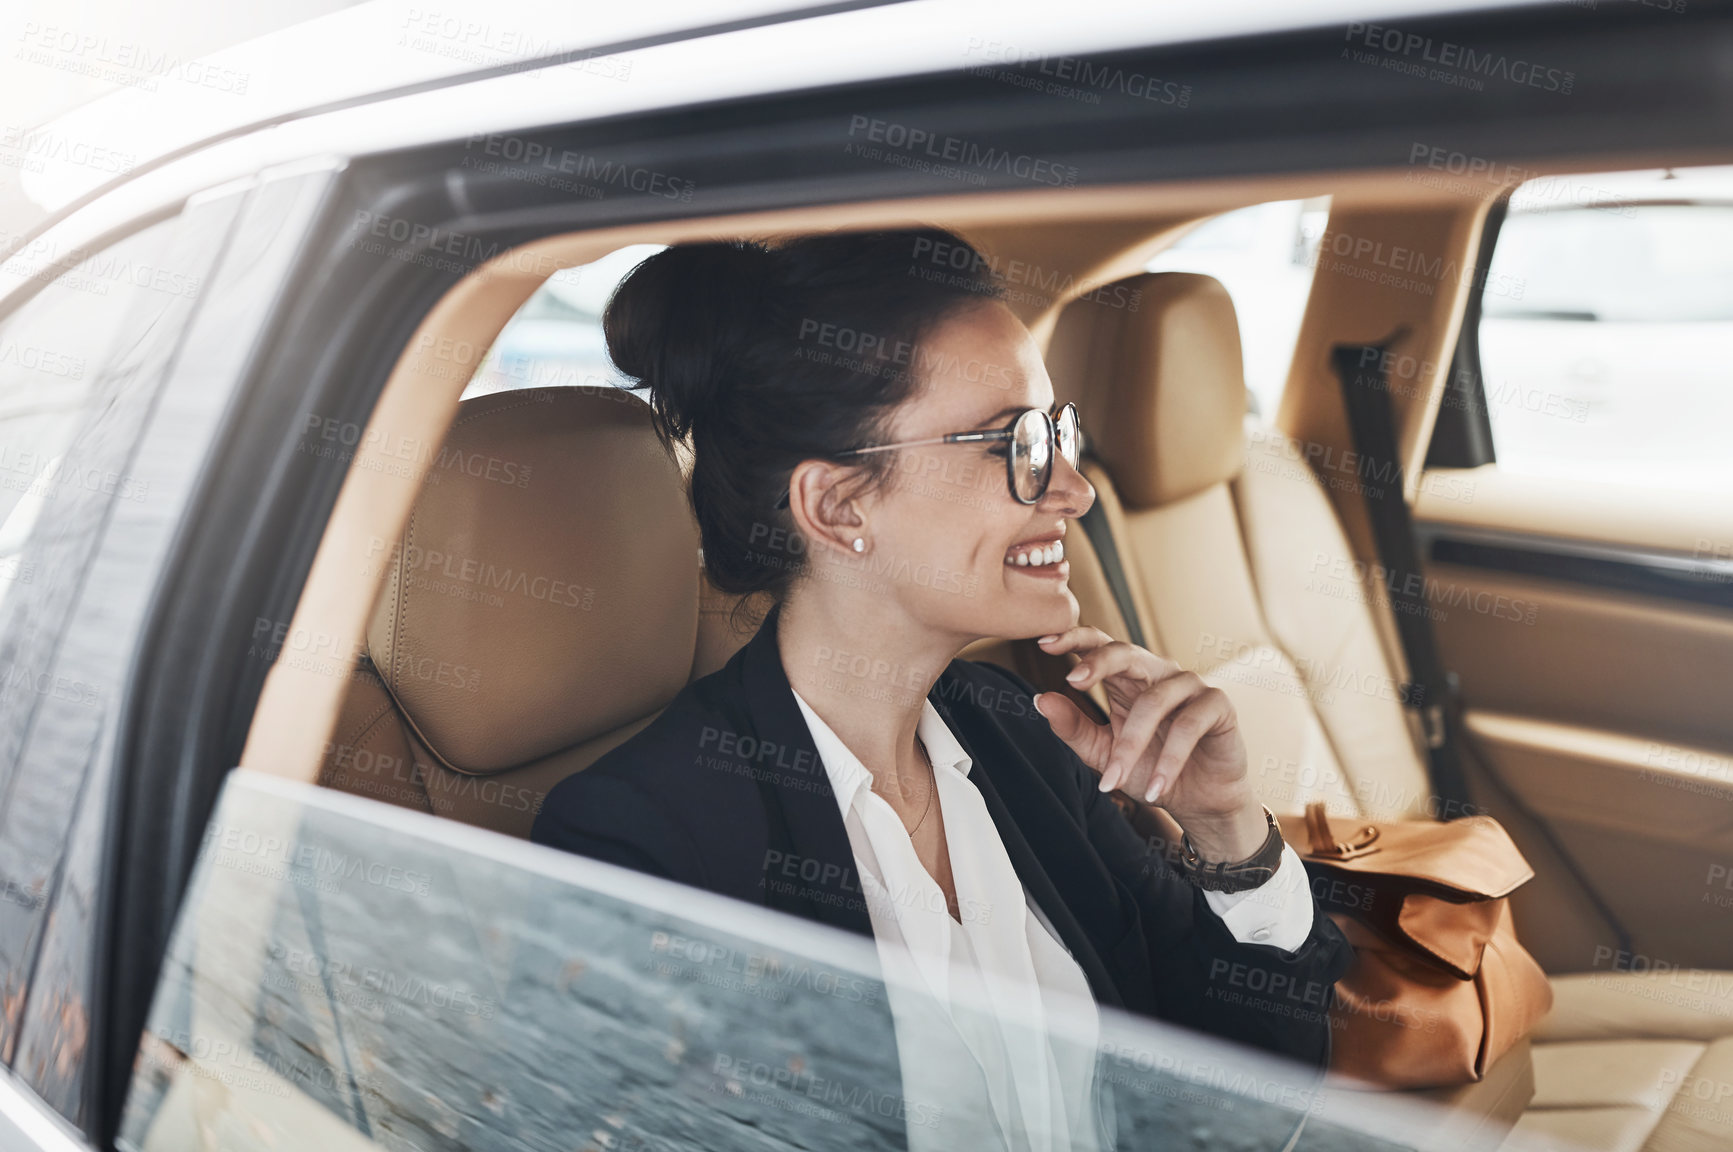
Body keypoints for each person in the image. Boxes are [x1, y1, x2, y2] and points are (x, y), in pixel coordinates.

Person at [533, 229, 1351, 1150]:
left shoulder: (1019, 737)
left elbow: (1243, 1096)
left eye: (1057, 432)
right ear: (839, 507)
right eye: (1016, 444)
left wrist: (1226, 829)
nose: (1074, 489)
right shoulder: (640, 838)